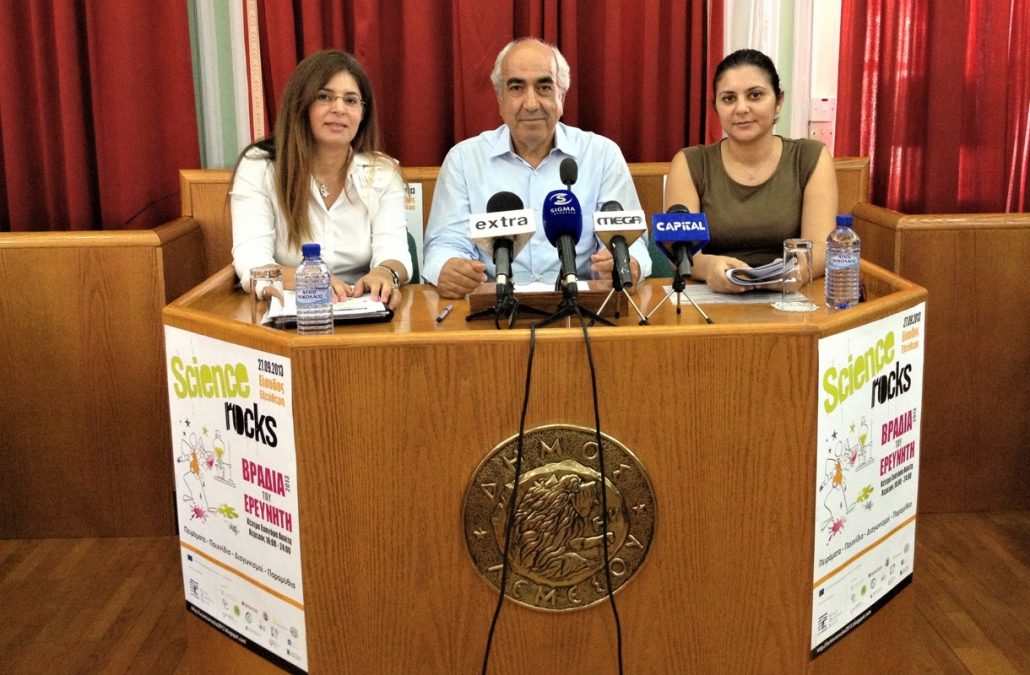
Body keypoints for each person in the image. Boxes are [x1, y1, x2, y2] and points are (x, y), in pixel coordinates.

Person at [422, 38, 652, 299]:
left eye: (544, 87)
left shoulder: (602, 155)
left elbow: (632, 245)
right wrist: (447, 268)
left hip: (582, 307)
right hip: (493, 307)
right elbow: (443, 246)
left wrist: (627, 263)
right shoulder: (464, 160)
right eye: (516, 87)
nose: (531, 104)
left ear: (561, 95)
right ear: (499, 97)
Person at [231, 50, 410, 309]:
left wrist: (385, 273)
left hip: (362, 305)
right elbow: (252, 262)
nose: (339, 109)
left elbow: (394, 250)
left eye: (351, 100)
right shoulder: (259, 167)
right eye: (324, 97)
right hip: (291, 308)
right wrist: (312, 280)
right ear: (301, 104)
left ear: (363, 113)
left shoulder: (382, 172)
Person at [664, 49, 838, 294]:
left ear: (779, 101)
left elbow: (820, 246)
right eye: (728, 98)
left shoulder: (810, 157)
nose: (742, 108)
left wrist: (797, 270)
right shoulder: (689, 163)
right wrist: (709, 268)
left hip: (789, 297)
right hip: (713, 295)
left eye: (755, 95)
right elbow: (680, 252)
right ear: (715, 106)